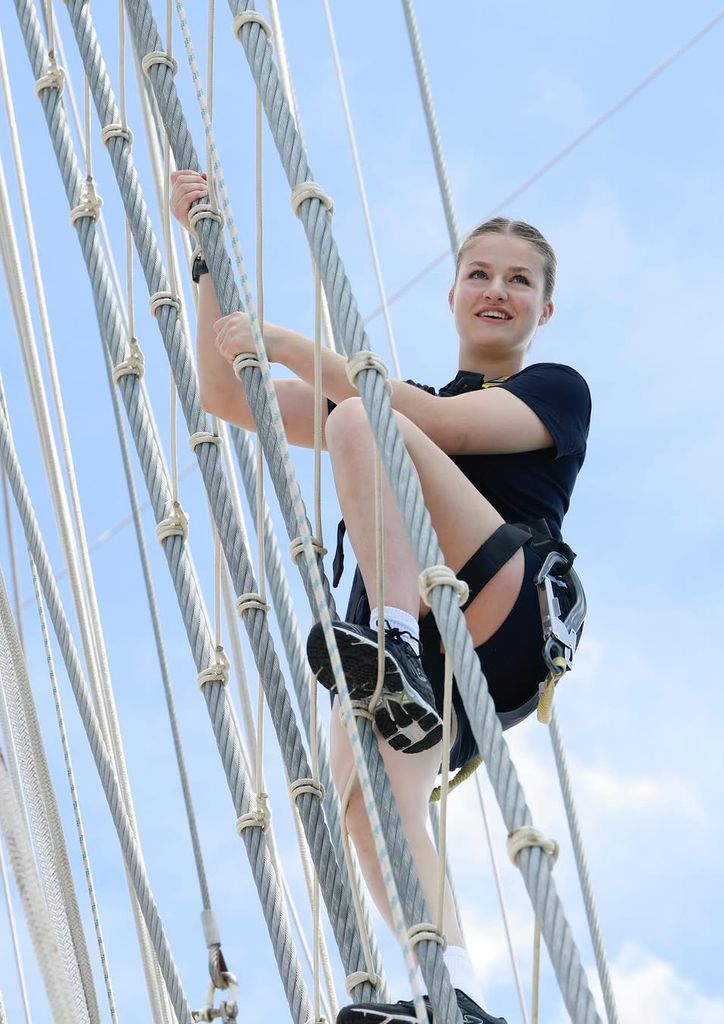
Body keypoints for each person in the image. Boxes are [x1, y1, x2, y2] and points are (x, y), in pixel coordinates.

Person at [170, 169, 591, 1024]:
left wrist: (286, 344)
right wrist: (204, 245)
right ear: (452, 293)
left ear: (543, 311)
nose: (496, 291)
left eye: (519, 281)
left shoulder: (553, 390)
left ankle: (391, 637)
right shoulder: (405, 394)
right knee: (364, 805)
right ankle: (453, 993)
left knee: (360, 421)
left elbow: (432, 426)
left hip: (500, 607)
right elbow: (224, 396)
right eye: (479, 274)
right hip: (435, 662)